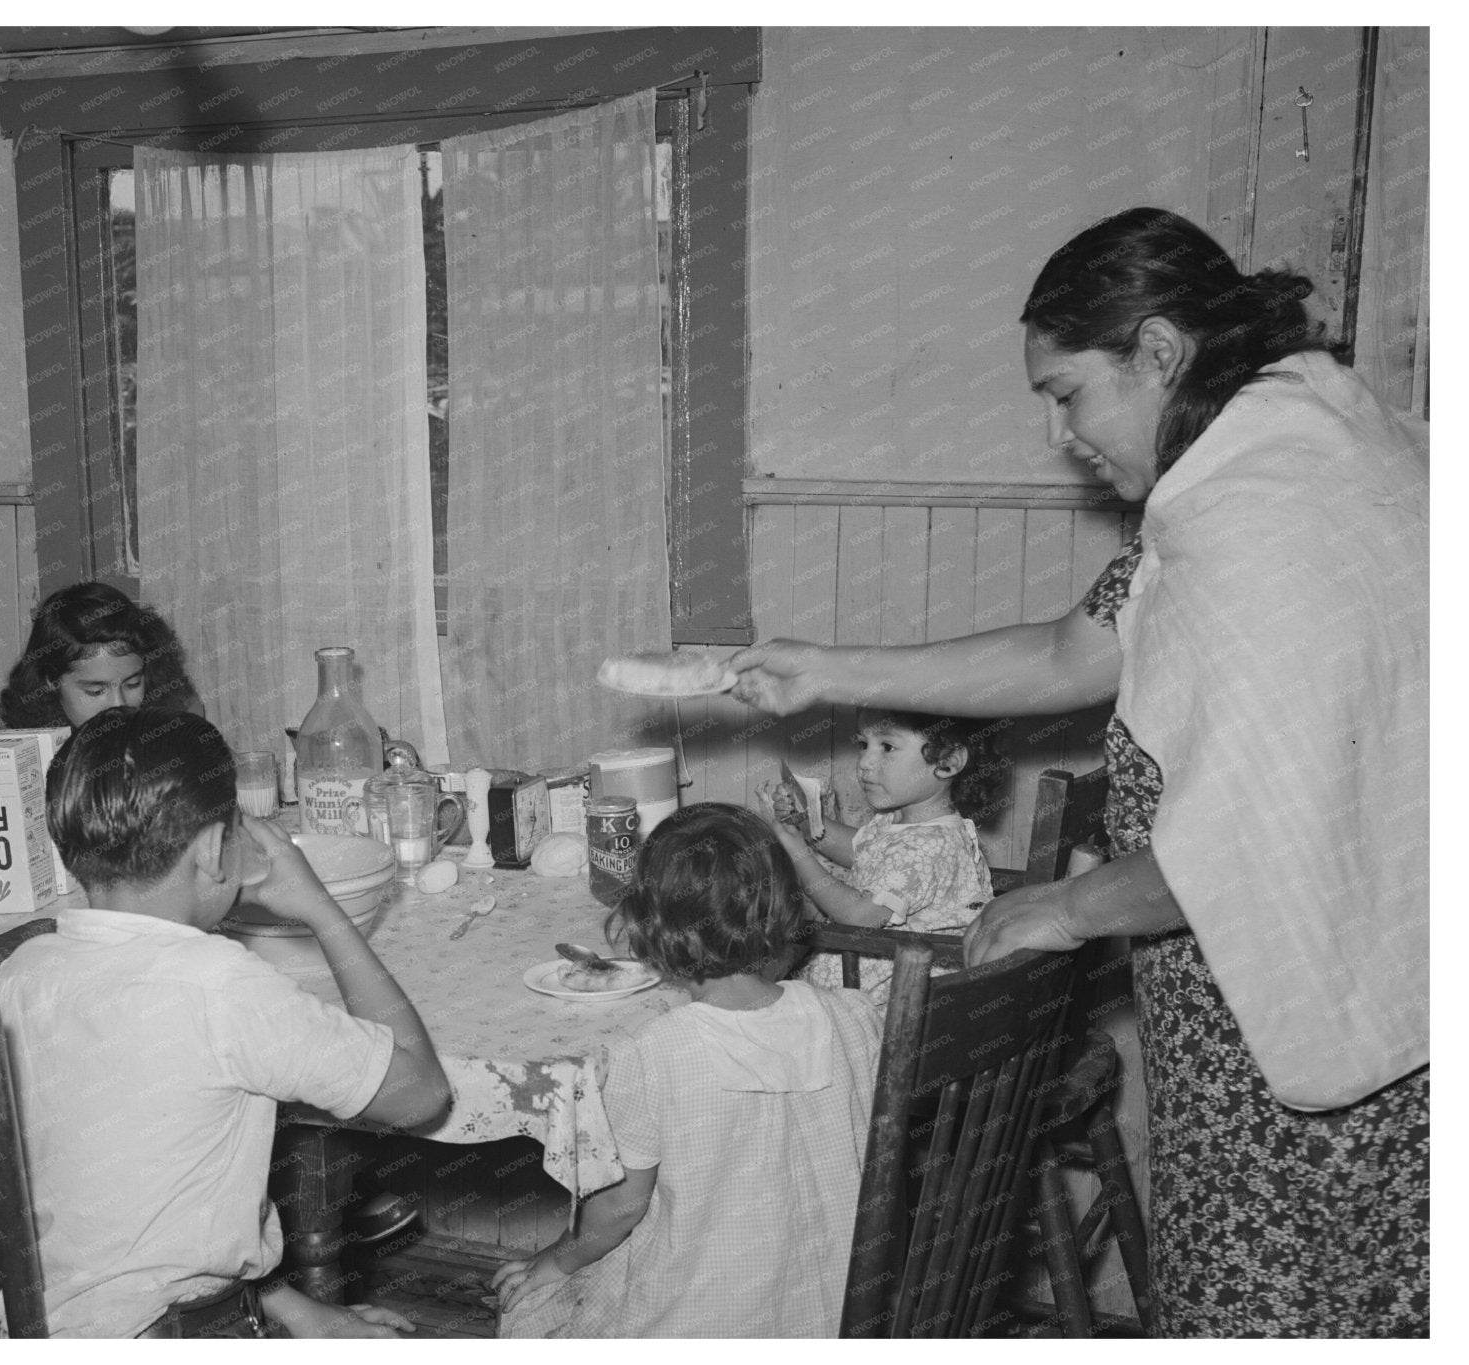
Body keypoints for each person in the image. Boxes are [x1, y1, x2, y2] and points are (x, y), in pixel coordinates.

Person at [727, 206, 1427, 1337]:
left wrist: (1067, 907)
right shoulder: (1256, 460)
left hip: (1301, 1041)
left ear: (1157, 351)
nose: (1060, 434)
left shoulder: (1259, 524)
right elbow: (1072, 650)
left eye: (1066, 393)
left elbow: (1251, 838)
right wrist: (828, 668)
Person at [0, 707, 450, 1338]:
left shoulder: (22, 971)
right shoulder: (221, 985)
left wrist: (301, 1312)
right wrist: (322, 910)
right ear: (212, 849)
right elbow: (421, 1095)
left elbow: (154, 1212)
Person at [491, 803, 881, 1338]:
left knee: (527, 1314)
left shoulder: (654, 1051)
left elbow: (619, 1210)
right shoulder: (855, 1015)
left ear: (649, 925)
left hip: (703, 1320)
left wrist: (557, 1260)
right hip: (840, 1311)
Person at [764, 709, 1000, 1004]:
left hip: (888, 1002)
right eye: (864, 745)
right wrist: (805, 822)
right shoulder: (903, 820)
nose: (864, 762)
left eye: (887, 747)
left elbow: (857, 915)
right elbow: (863, 851)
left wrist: (797, 853)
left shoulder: (929, 846)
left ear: (948, 761)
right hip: (858, 982)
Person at [0, 581, 204, 729]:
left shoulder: (173, 723)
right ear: (51, 681)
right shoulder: (33, 750)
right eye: (96, 691)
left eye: (132, 684)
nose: (119, 705)